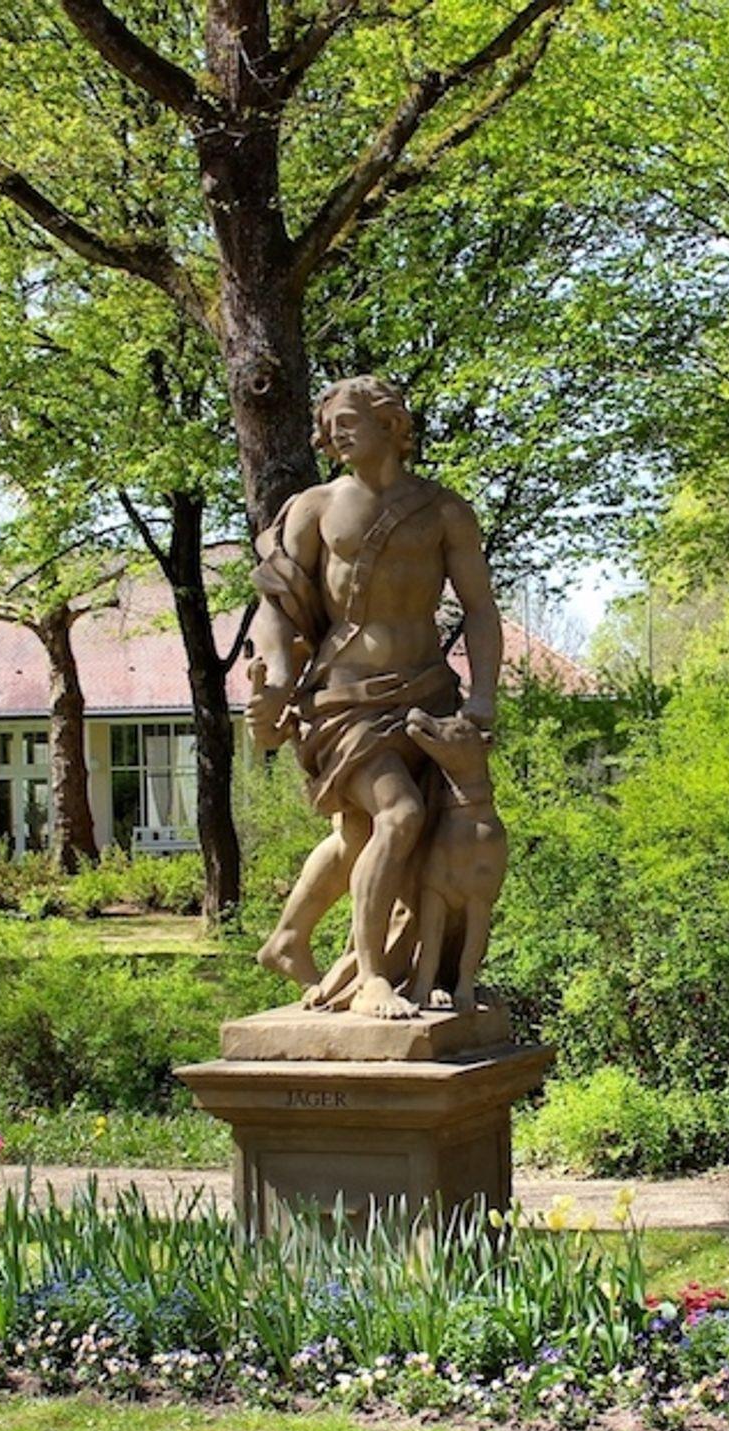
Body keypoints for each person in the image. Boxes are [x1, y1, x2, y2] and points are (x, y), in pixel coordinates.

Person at [247, 376, 502, 1018]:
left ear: (390, 425)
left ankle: (293, 940)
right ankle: (371, 979)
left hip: (426, 698)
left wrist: (483, 697)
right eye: (328, 426)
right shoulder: (314, 508)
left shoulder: (445, 512)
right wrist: (275, 682)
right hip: (344, 700)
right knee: (399, 815)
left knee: (377, 835)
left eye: (347, 422)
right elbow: (277, 609)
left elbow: (479, 609)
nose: (333, 435)